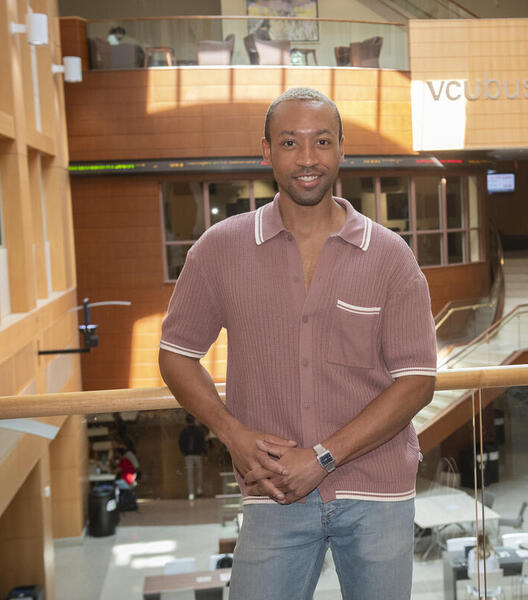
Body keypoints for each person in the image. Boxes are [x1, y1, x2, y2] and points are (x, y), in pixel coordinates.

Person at [158, 87, 437, 600]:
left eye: (322, 141)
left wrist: (323, 458)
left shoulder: (390, 256)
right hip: (274, 494)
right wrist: (233, 434)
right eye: (290, 142)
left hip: (377, 492)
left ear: (341, 150)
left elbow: (417, 380)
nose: (307, 158)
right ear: (266, 151)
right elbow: (176, 354)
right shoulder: (219, 250)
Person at [179, 414, 207, 500]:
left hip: (189, 455)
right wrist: (205, 453)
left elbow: (181, 443)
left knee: (190, 474)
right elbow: (203, 443)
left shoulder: (184, 431)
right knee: (199, 472)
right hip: (197, 454)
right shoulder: (198, 431)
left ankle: (192, 492)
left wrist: (185, 452)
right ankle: (198, 489)